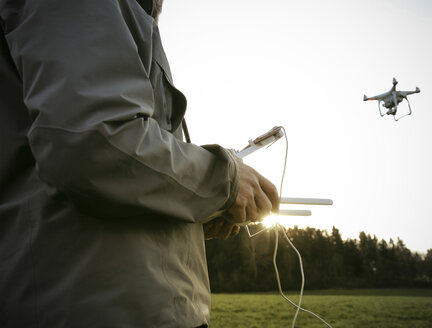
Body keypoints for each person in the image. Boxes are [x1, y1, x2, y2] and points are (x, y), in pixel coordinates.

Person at [0, 0, 278, 327]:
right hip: (101, 309)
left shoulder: (129, 11)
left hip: (140, 305)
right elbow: (94, 145)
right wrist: (224, 181)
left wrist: (198, 209)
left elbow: (115, 162)